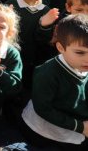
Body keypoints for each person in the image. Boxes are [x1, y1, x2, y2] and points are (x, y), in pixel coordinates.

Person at [20, 14, 88, 150]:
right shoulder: (47, 73)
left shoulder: (82, 65)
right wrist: (80, 126)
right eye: (80, 52)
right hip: (46, 130)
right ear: (61, 48)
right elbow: (43, 109)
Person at [6, 0, 58, 88]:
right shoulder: (11, 4)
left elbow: (44, 41)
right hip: (12, 54)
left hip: (33, 58)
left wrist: (44, 25)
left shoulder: (46, 10)